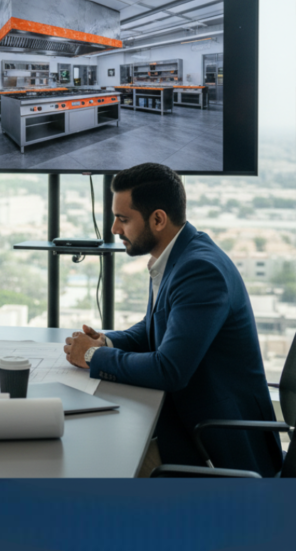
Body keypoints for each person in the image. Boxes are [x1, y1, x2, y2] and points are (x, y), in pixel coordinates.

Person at [63, 162, 283, 476]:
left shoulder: (200, 270)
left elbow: (170, 370)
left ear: (158, 219)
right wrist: (106, 342)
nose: (114, 229)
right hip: (186, 422)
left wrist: (92, 356)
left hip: (212, 445)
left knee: (94, 463)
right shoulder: (177, 255)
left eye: (123, 219)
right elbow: (154, 326)